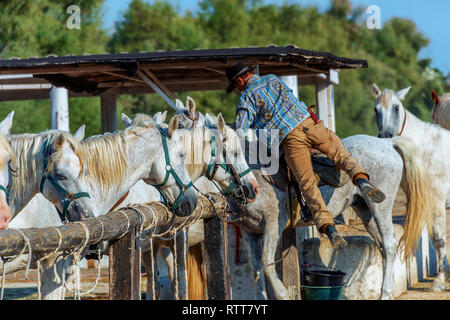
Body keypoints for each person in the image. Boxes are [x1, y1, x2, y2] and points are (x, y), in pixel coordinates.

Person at [226, 62, 386, 249]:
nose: (237, 90)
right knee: (342, 155)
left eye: (235, 86)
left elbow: (239, 130)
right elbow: (291, 97)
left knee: (307, 183)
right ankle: (361, 179)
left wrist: (229, 129)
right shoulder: (272, 79)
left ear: (240, 80)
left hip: (291, 140)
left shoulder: (247, 96)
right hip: (310, 123)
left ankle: (328, 226)